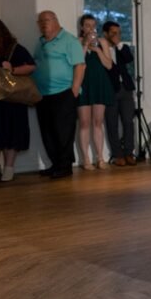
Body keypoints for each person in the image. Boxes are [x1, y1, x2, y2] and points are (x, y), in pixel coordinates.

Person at [0, 16, 36, 182]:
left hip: (8, 96)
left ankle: (9, 167)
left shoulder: (11, 48)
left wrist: (12, 69)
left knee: (11, 130)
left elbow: (31, 66)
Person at [32, 10, 85, 179]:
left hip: (63, 93)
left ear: (56, 20)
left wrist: (74, 90)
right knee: (48, 132)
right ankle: (55, 164)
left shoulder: (69, 41)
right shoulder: (40, 43)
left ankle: (65, 166)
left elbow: (80, 66)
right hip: (43, 95)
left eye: (46, 20)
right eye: (40, 21)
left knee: (63, 132)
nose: (42, 24)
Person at [74, 15, 114, 170]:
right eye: (87, 25)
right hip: (83, 84)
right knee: (84, 123)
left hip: (100, 84)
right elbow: (78, 62)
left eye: (93, 25)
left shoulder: (102, 42)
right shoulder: (76, 42)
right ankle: (85, 159)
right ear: (82, 27)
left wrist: (97, 49)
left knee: (98, 122)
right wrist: (85, 45)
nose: (91, 28)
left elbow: (109, 65)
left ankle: (100, 158)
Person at [102, 21, 137, 166]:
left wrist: (118, 44)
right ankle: (117, 155)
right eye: (113, 33)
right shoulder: (100, 48)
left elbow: (129, 59)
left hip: (126, 89)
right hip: (109, 89)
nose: (117, 35)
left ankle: (129, 152)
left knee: (129, 121)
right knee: (112, 123)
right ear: (105, 33)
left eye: (119, 33)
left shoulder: (122, 48)